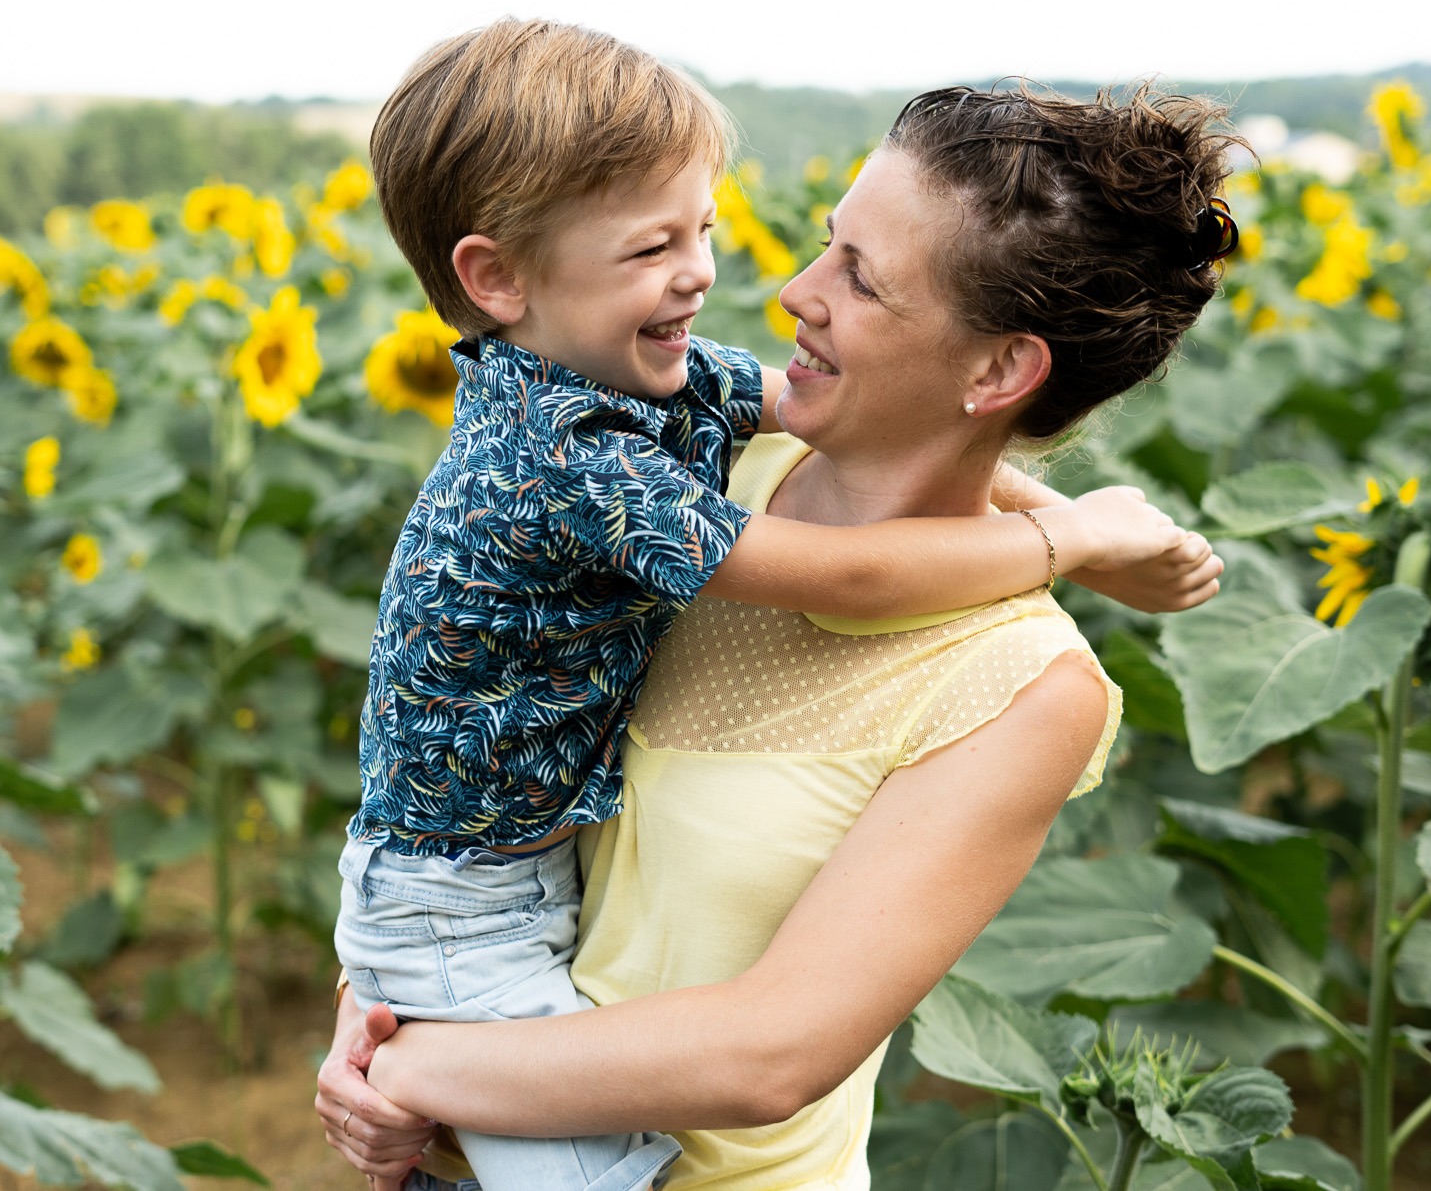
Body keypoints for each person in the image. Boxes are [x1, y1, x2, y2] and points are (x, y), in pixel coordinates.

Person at [318, 79, 1238, 1189]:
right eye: (825, 243)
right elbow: (455, 814)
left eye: (861, 278)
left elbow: (769, 1052)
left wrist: (409, 1070)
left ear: (998, 369)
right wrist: (371, 1018)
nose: (795, 290)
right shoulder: (684, 477)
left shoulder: (1020, 685)